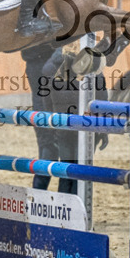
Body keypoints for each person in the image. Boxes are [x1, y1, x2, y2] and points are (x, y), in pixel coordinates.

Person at [22, 43, 106, 195]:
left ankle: (40, 196)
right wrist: (103, 129)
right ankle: (43, 196)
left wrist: (51, 123)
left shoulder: (48, 67)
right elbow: (101, 94)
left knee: (58, 163)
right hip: (80, 123)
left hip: (59, 122)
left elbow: (46, 100)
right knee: (76, 167)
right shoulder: (87, 62)